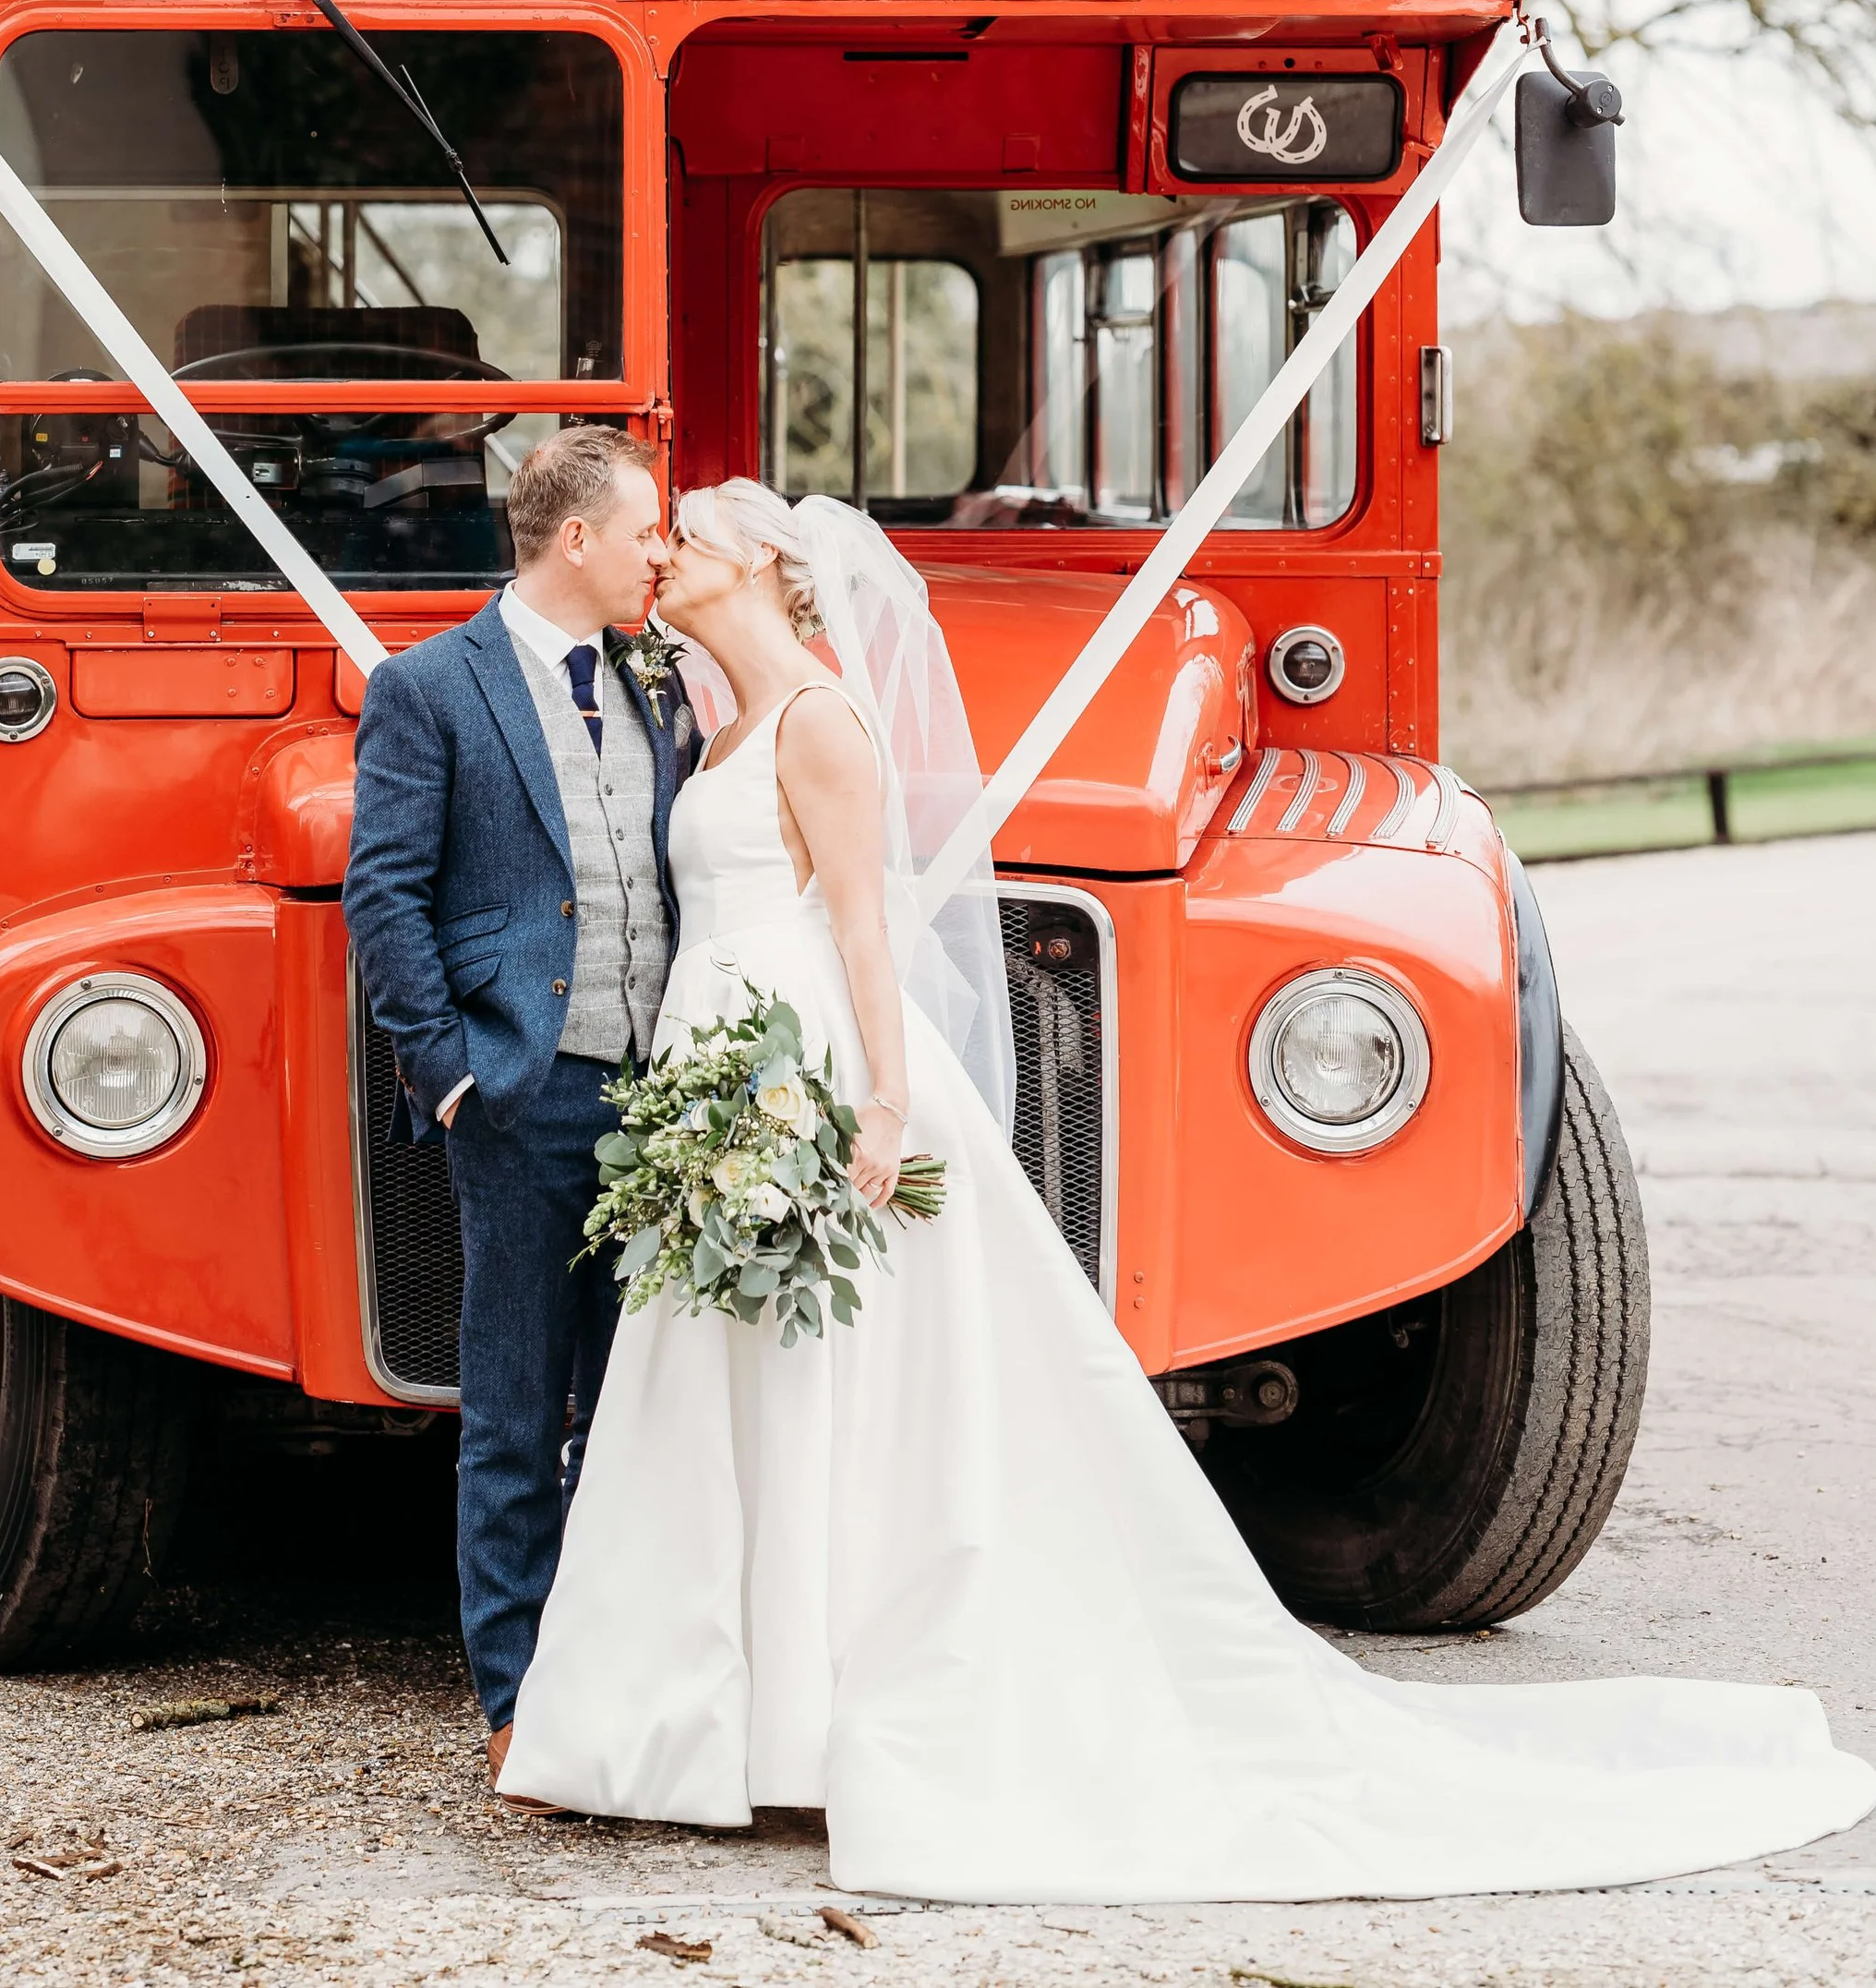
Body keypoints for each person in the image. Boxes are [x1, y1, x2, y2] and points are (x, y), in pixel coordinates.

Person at [498, 479, 1876, 1900]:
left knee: (834, 1389)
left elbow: (863, 923)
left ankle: (801, 1714)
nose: (668, 554)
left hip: (809, 1068)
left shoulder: (821, 721)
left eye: (693, 539)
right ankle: (702, 1723)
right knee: (719, 1383)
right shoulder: (709, 720)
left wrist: (880, 1102)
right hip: (720, 1069)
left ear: (769, 568)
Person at [343, 424, 699, 1794]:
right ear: (577, 539)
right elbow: (386, 894)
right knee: (509, 1409)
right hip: (518, 1090)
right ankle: (514, 1697)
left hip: (661, 1096)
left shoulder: (659, 680)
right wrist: (449, 1072)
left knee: (635, 1407)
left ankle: (623, 1681)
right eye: (646, 528)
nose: (660, 548)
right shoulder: (432, 687)